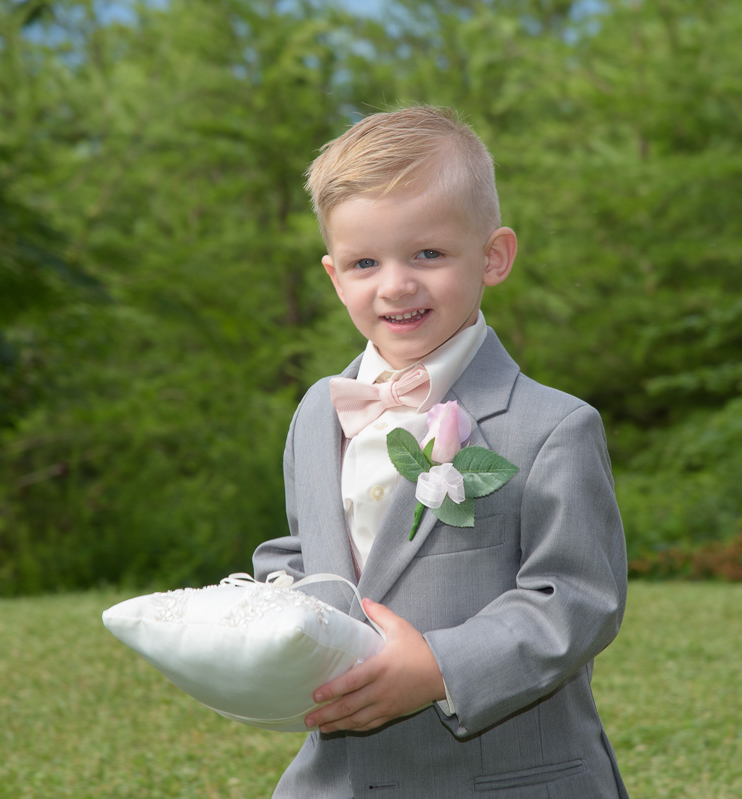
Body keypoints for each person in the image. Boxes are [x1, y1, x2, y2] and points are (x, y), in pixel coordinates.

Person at [253, 106, 629, 798]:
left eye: (427, 253)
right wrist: (271, 608)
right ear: (335, 277)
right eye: (366, 262)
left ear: (493, 256)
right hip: (338, 778)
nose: (395, 283)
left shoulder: (555, 426)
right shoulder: (317, 413)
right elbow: (306, 550)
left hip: (503, 777)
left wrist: (438, 665)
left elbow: (577, 597)